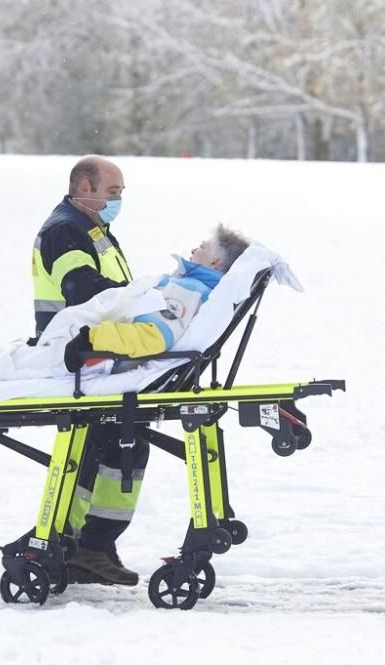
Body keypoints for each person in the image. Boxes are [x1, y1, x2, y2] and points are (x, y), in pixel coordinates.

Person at [31, 155, 150, 586]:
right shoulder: (65, 231)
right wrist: (143, 299)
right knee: (106, 449)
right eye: (112, 192)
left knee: (125, 447)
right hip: (76, 358)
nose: (119, 200)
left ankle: (92, 546)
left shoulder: (94, 229)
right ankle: (77, 544)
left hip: (99, 357)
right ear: (84, 187)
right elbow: (81, 289)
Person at [64, 225, 250, 371]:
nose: (194, 249)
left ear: (215, 262)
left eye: (202, 247)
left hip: (112, 357)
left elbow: (153, 336)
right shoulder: (192, 287)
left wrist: (90, 339)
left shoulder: (189, 291)